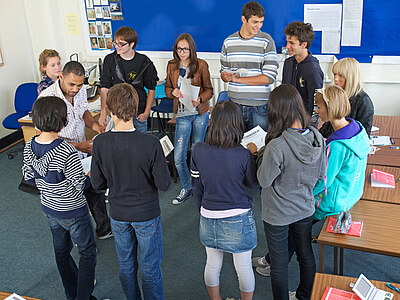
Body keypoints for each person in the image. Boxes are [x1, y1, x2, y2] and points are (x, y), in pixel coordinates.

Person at [91, 83, 171, 300]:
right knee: (150, 267)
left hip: (118, 214)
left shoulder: (100, 143)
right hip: (146, 214)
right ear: (136, 109)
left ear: (110, 110)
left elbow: (97, 185)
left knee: (126, 266)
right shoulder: (151, 143)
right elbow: (164, 184)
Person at [22, 96, 97, 300]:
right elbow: (80, 185)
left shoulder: (29, 146)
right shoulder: (66, 150)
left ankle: (71, 294)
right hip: (74, 211)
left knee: (62, 252)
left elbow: (29, 176)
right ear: (63, 121)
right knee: (88, 253)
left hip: (49, 209)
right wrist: (91, 175)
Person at [257, 84, 326, 300]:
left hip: (277, 214)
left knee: (279, 265)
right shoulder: (317, 138)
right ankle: (304, 295)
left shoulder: (277, 146)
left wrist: (261, 152)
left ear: (277, 111)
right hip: (305, 208)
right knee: (305, 255)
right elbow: (321, 174)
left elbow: (263, 180)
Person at [191, 101, 258, 300]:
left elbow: (196, 187)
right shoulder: (244, 154)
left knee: (212, 263)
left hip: (208, 213)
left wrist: (203, 210)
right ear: (237, 124)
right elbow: (252, 184)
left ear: (212, 122)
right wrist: (253, 156)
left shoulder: (197, 150)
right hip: (238, 215)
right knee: (243, 266)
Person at [39, 61, 112, 240]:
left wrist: (96, 126)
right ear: (61, 76)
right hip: (62, 157)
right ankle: (80, 237)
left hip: (82, 151)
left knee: (95, 188)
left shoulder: (80, 92)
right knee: (74, 198)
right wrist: (78, 146)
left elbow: (83, 112)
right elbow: (44, 137)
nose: (75, 89)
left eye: (79, 85)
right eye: (72, 84)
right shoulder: (47, 98)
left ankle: (103, 228)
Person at [165, 33, 213, 205]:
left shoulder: (201, 65)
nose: (182, 52)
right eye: (179, 49)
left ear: (191, 49)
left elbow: (209, 89)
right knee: (178, 156)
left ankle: (201, 186)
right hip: (182, 114)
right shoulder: (172, 65)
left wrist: (200, 99)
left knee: (197, 152)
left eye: (185, 49)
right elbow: (167, 87)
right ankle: (187, 187)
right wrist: (173, 92)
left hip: (199, 113)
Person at [220, 1, 278, 132]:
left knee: (259, 148)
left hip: (259, 107)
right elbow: (224, 73)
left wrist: (238, 80)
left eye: (261, 22)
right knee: (235, 146)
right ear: (243, 19)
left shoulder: (267, 41)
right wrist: (226, 76)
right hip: (234, 105)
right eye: (255, 22)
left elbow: (269, 77)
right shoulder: (229, 42)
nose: (259, 26)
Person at [314, 85, 370, 220]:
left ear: (330, 109)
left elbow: (324, 181)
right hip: (352, 193)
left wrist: (304, 193)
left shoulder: (337, 146)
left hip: (334, 203)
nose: (317, 111)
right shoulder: (358, 128)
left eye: (319, 107)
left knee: (296, 214)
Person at [99, 26, 159, 133]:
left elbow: (151, 88)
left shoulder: (144, 61)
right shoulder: (110, 60)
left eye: (121, 44)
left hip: (138, 113)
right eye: (115, 43)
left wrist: (146, 113)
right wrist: (103, 111)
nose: (117, 46)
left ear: (132, 44)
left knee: (139, 146)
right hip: (116, 114)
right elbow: (104, 87)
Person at [319, 58, 374, 138]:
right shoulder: (337, 96)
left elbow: (363, 137)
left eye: (341, 75)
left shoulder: (363, 101)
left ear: (351, 77)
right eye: (334, 74)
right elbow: (328, 127)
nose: (335, 79)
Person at [282, 21, 324, 122]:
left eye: (292, 43)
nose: (287, 46)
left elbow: (315, 105)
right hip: (287, 119)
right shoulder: (288, 63)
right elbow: (284, 92)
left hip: (304, 124)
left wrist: (308, 126)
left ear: (304, 44)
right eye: (287, 41)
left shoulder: (313, 70)